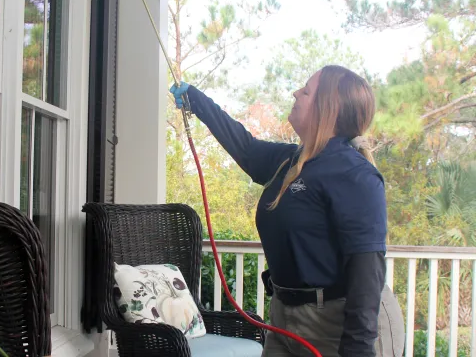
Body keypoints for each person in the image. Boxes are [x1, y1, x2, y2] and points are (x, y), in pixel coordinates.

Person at [170, 65, 405, 357]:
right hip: (284, 316)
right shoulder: (287, 161)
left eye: (306, 91)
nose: (296, 93)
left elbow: (367, 268)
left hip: (339, 324)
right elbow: (244, 145)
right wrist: (195, 99)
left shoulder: (354, 175)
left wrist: (357, 349)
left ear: (327, 108)